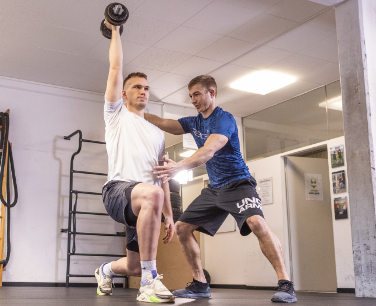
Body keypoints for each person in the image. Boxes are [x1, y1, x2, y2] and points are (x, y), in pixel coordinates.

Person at [144, 75, 297, 303]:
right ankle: (200, 284)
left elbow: (208, 150)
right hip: (214, 189)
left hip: (238, 184)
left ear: (212, 93)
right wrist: (136, 113)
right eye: (191, 96)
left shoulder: (224, 119)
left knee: (256, 223)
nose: (193, 100)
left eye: (197, 94)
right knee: (182, 228)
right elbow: (168, 124)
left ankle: (286, 284)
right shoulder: (195, 122)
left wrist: (179, 166)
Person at [94, 21, 175, 303]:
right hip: (118, 192)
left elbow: (161, 178)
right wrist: (115, 30)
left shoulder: (157, 133)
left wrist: (170, 215)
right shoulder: (116, 115)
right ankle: (149, 283)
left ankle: (104, 270)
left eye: (146, 88)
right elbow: (115, 69)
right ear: (124, 93)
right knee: (149, 193)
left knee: (131, 265)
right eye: (136, 87)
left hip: (144, 200)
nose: (143, 91)